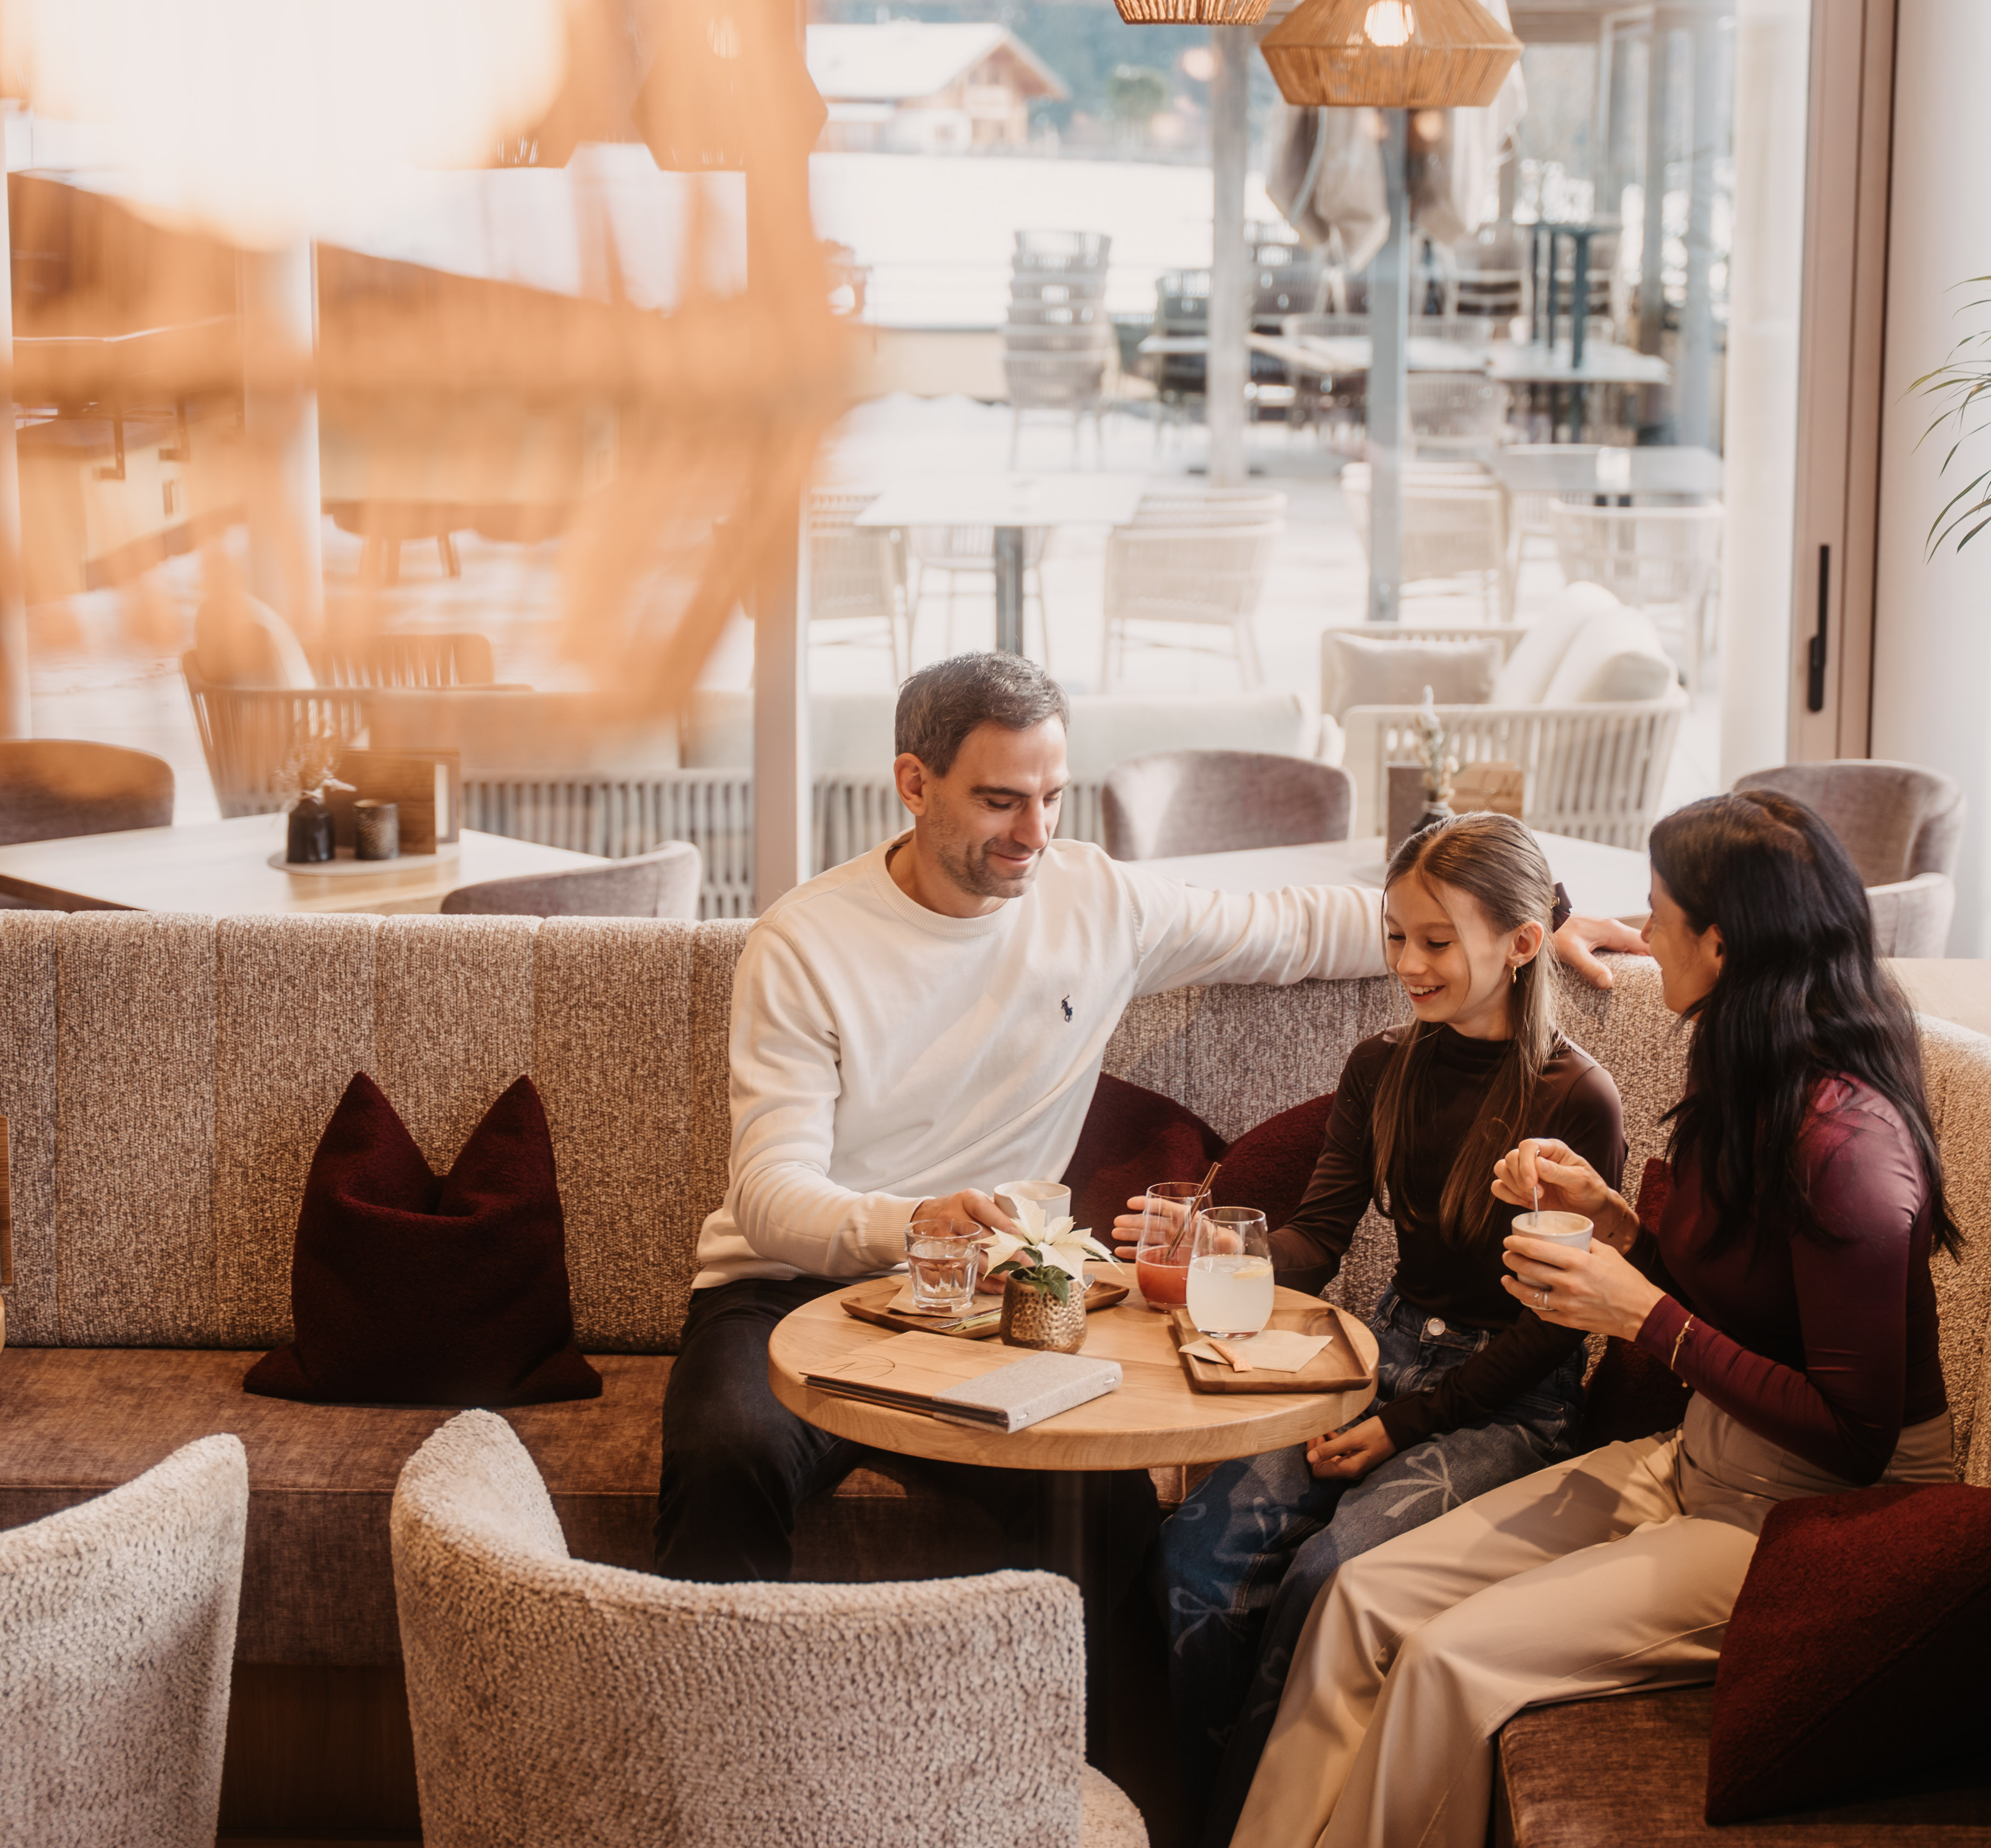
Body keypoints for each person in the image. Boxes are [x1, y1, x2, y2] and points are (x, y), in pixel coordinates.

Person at [653, 652, 1643, 1582]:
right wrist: (912, 1223)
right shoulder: (805, 942)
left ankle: (1108, 1775)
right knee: (727, 1454)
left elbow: (1297, 925)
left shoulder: (1091, 897)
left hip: (999, 1306)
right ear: (914, 784)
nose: (1034, 835)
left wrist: (1533, 930)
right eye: (999, 801)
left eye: (1051, 798)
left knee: (1112, 1518)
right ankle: (714, 1763)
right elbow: (770, 1194)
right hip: (788, 1291)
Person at [1228, 789, 1962, 1848]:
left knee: (1446, 1662)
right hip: (1696, 1461)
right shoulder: (1742, 1076)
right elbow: (1733, 1296)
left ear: (1720, 942)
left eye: (1661, 911)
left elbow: (1859, 1435)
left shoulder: (1848, 1147)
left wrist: (1648, 1316)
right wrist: (1614, 1222)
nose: (1640, 930)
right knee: (1359, 1599)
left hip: (1809, 1520)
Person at [1142, 814, 1627, 1847]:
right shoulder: (1383, 1064)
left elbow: (1556, 1329)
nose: (1408, 963)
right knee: (1197, 1552)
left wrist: (1407, 1429)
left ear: (1523, 943)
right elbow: (1318, 1239)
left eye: (1437, 941)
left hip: (1510, 1393)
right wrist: (1214, 1248)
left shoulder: (1577, 1098)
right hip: (1383, 1349)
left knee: (1331, 1575)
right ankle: (1198, 1815)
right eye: (1396, 935)